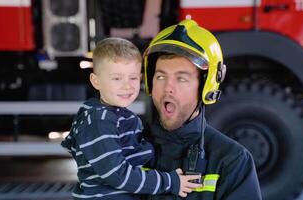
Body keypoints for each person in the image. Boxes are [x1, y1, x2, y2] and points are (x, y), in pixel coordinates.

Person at [61, 37, 202, 200]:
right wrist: (169, 182)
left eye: (133, 78)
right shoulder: (99, 121)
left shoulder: (122, 116)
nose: (127, 85)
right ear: (96, 81)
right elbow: (117, 175)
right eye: (117, 78)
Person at [142, 19, 262, 199]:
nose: (168, 87)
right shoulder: (127, 149)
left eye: (181, 79)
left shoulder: (231, 161)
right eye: (160, 76)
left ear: (205, 87)